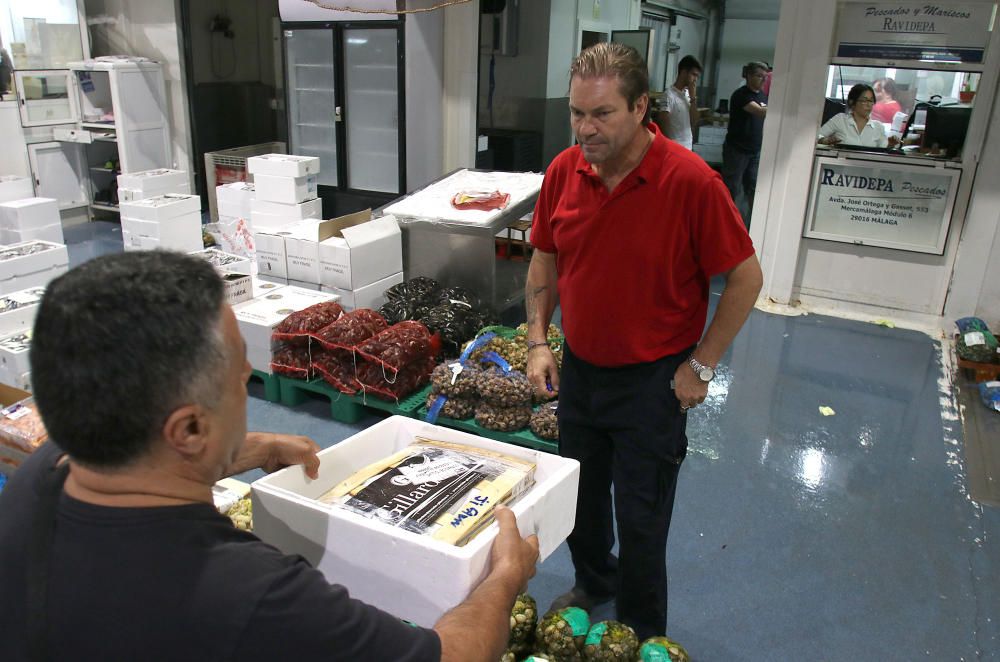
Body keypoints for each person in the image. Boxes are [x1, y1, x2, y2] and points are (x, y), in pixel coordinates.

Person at [0, 251, 539, 662]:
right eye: (241, 379)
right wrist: (503, 578)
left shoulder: (38, 481)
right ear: (188, 428)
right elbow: (453, 655)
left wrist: (244, 450)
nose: (247, 388)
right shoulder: (250, 593)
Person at [524, 42, 763, 642]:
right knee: (579, 497)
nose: (585, 128)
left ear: (641, 107)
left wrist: (701, 367)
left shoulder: (690, 183)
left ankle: (639, 628)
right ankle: (594, 580)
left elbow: (745, 277)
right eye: (577, 113)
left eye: (602, 114)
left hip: (654, 381)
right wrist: (537, 341)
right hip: (581, 371)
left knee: (642, 515)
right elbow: (543, 259)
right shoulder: (564, 171)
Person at [722, 61, 768, 228]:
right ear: (748, 75)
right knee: (731, 188)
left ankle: (751, 225)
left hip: (755, 151)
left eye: (765, 77)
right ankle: (725, 223)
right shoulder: (741, 95)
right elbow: (759, 111)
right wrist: (780, 107)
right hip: (737, 150)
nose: (763, 80)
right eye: (759, 76)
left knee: (753, 188)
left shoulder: (763, 96)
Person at [818, 83, 898, 148]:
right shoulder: (840, 119)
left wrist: (890, 144)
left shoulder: (878, 126)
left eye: (871, 101)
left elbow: (883, 150)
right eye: (864, 101)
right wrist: (825, 140)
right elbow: (817, 136)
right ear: (852, 102)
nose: (869, 105)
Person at [654, 54, 702, 150]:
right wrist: (671, 145)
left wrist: (693, 98)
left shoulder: (689, 94)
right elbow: (663, 124)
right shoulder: (668, 95)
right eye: (693, 74)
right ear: (684, 72)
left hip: (688, 146)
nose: (695, 79)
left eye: (697, 76)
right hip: (674, 148)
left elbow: (694, 122)